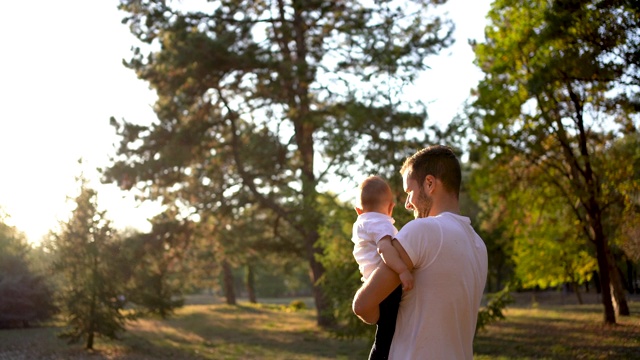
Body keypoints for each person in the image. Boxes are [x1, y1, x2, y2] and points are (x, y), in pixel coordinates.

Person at [352, 145, 488, 360]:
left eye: (409, 192)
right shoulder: (478, 245)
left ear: (430, 183)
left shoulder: (422, 230)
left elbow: (363, 305)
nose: (407, 204)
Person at [352, 175, 414, 360]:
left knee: (385, 332)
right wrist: (403, 270)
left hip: (371, 284)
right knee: (388, 335)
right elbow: (384, 248)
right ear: (391, 207)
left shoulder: (362, 223)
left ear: (358, 210)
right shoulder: (381, 223)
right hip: (386, 286)